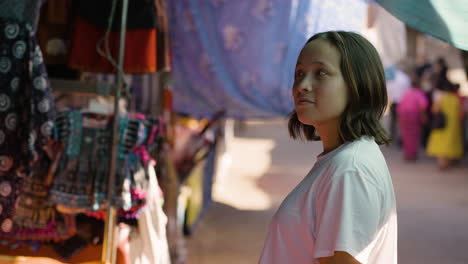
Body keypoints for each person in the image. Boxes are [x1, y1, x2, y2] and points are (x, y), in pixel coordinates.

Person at [259, 31, 397, 264]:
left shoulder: (350, 170)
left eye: (321, 73)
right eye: (299, 73)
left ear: (357, 84)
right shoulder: (344, 160)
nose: (302, 85)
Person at [426, 81, 464, 169]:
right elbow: (461, 115)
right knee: (451, 144)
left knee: (440, 144)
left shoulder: (441, 99)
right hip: (453, 126)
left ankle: (442, 163)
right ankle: (448, 163)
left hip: (442, 125)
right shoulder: (456, 99)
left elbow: (434, 110)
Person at [397, 73, 429, 160]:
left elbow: (400, 106)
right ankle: (412, 154)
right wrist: (424, 117)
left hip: (403, 116)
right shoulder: (419, 93)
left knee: (406, 135)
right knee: (414, 135)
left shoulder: (406, 93)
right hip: (414, 116)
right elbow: (422, 106)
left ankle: (408, 154)